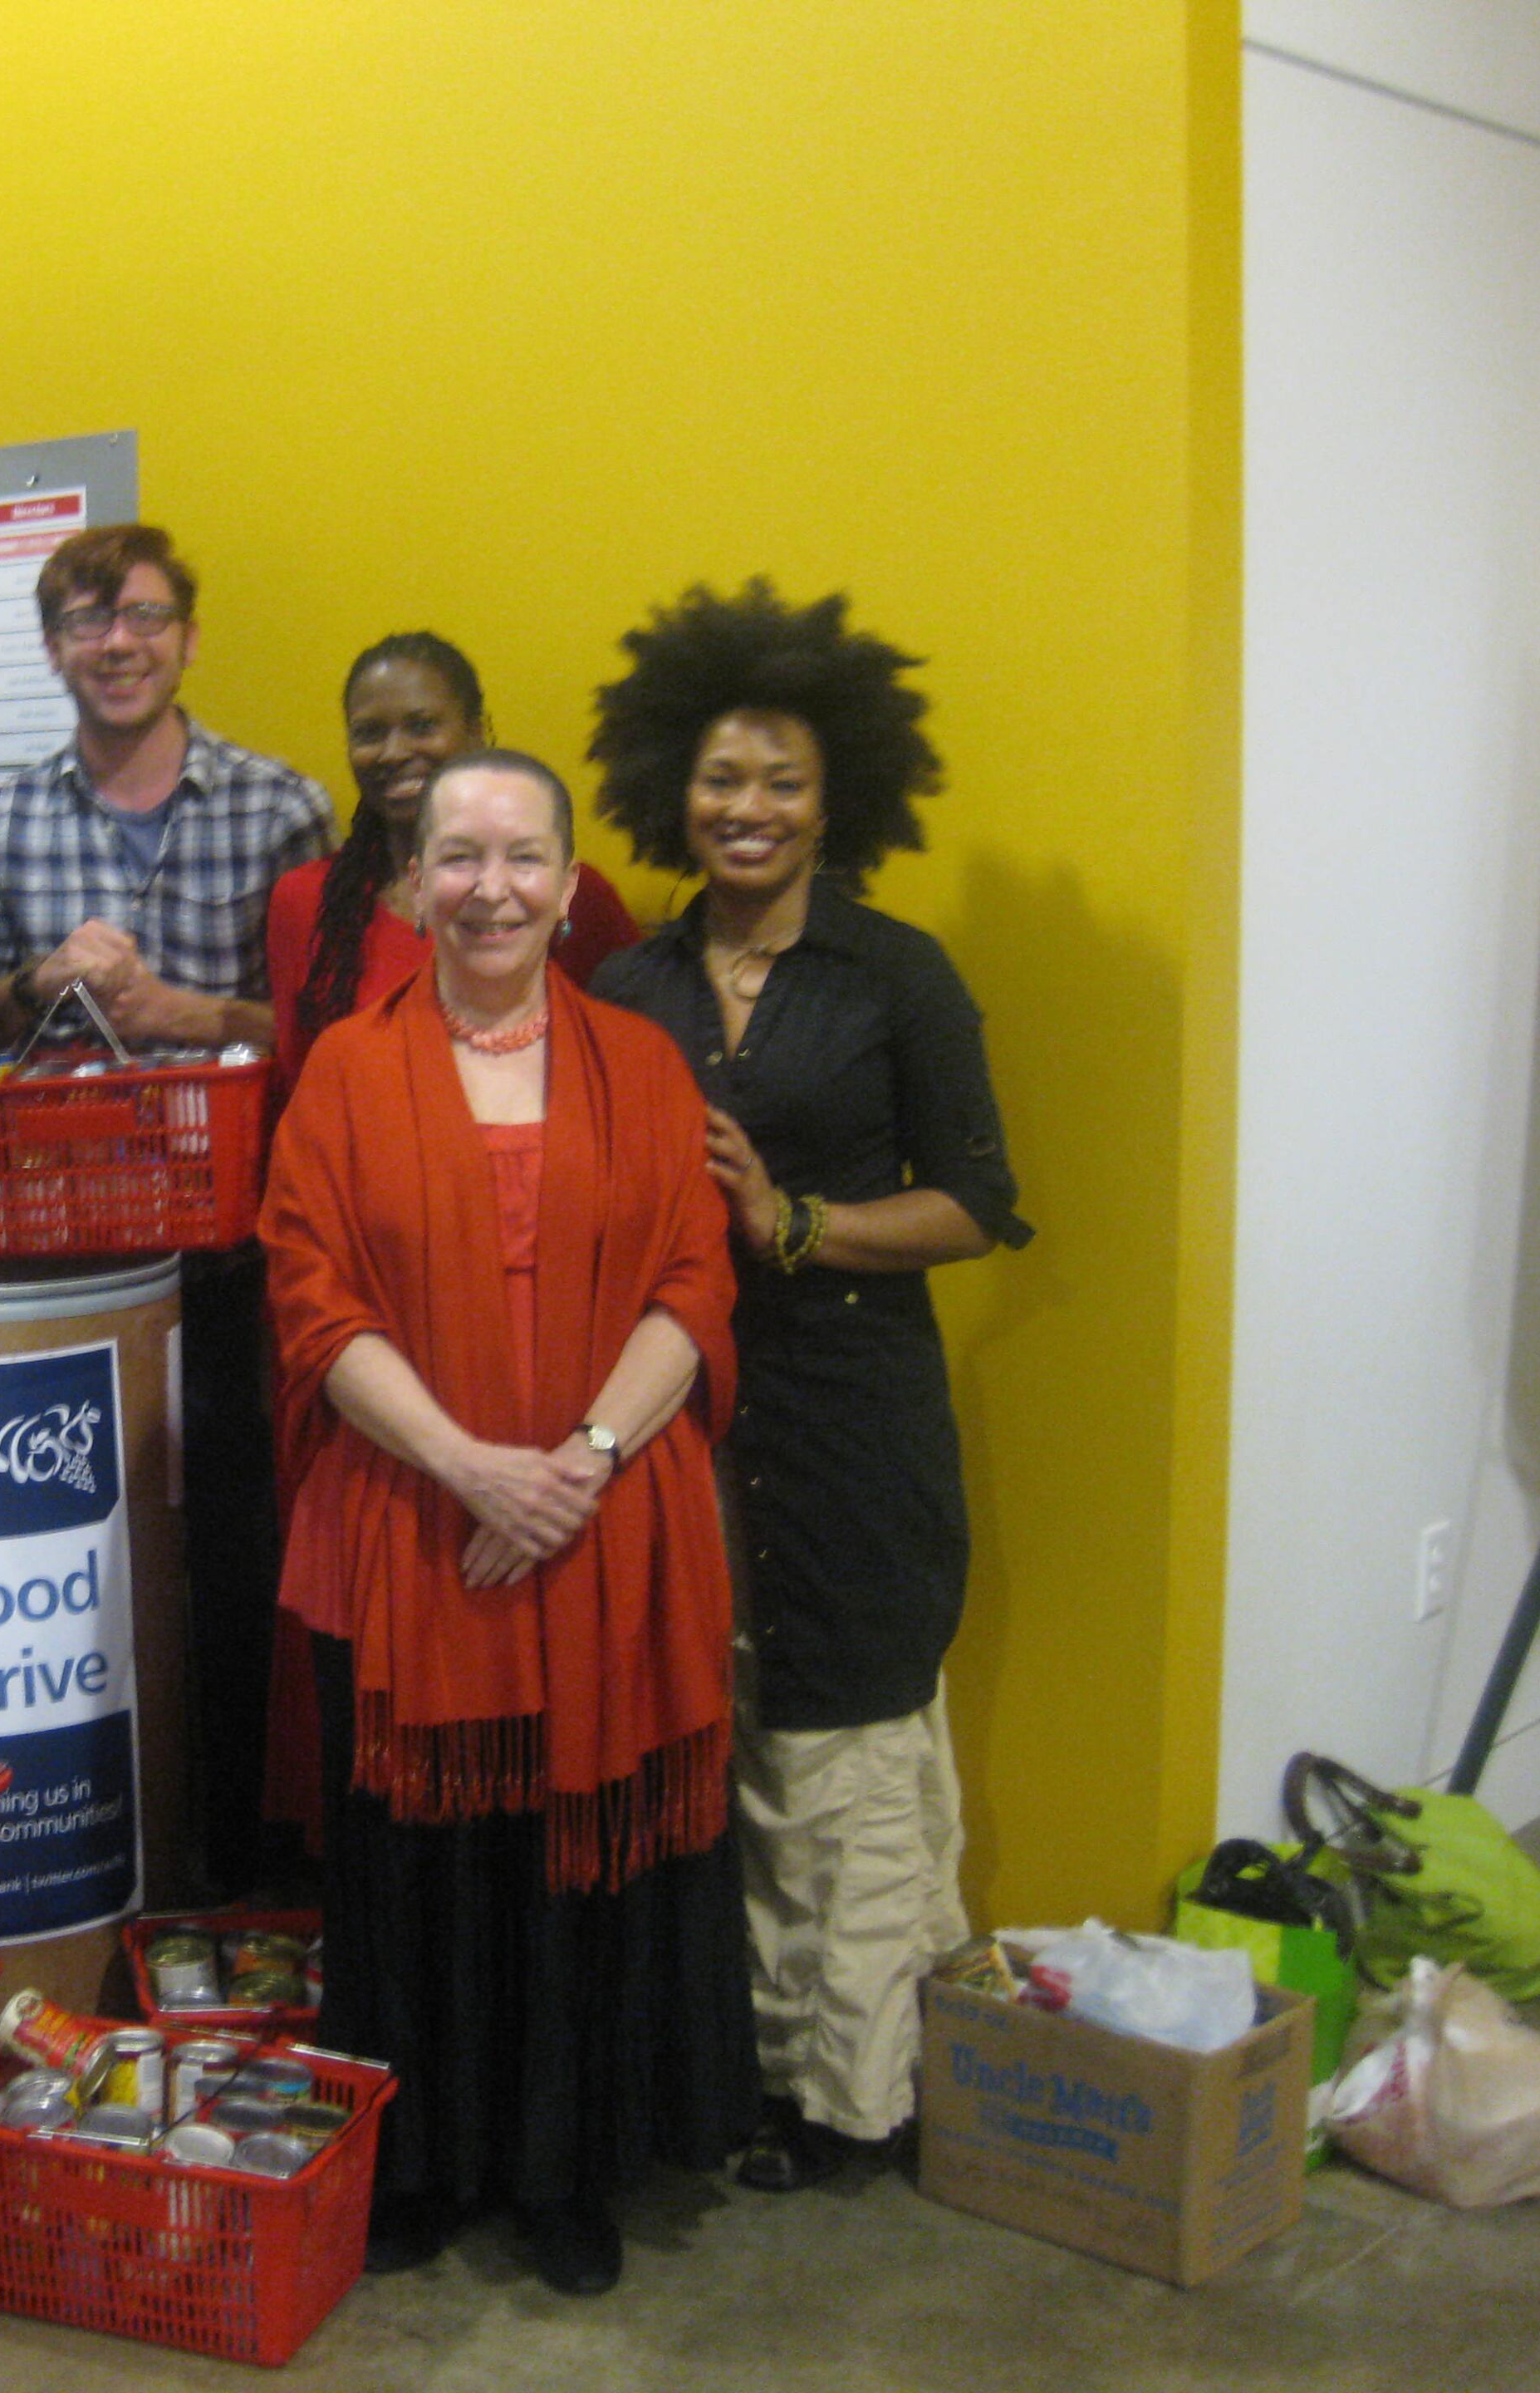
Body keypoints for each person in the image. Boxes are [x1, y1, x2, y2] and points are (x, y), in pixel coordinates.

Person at [260, 749, 753, 2297]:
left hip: (611, 1530)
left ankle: (562, 2171)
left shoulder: (646, 1065)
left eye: (522, 858)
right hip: (413, 1529)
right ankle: (422, 2164)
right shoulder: (345, 1068)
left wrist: (582, 1461)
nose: (490, 889)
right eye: (456, 859)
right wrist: (475, 1469)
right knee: (416, 1870)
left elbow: (693, 1282)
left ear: (568, 883)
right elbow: (312, 1302)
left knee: (572, 1867)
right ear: (410, 885)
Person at [589, 579, 1030, 2192]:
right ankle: (744, 2083)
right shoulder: (627, 991)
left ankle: (854, 2102)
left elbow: (979, 1201)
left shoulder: (895, 976)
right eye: (719, 778)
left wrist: (793, 1218)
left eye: (780, 780)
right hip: (678, 1427)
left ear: (837, 793)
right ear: (670, 792)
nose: (747, 808)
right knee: (724, 1747)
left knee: (846, 1755)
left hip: (851, 1423)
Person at [0, 522, 331, 1895]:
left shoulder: (279, 806)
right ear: (53, 647)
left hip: (229, 1261)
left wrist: (189, 1013)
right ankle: (110, 1864)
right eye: (90, 625)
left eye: (148, 620)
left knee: (233, 1568)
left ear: (186, 637)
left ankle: (233, 1876)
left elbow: (325, 1028)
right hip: (58, 1263)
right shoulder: (3, 819)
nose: (120, 646)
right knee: (75, 1577)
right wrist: (43, 979)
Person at [265, 634, 639, 1091]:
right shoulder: (307, 900)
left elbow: (629, 1068)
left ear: (476, 731)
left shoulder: (566, 895)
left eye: (421, 726)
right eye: (369, 733)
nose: (394, 751)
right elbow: (298, 1082)